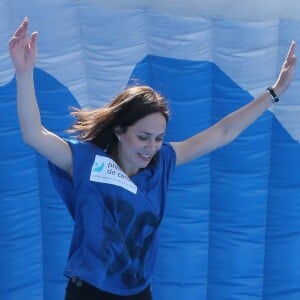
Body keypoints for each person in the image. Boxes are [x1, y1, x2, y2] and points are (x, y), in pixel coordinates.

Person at [8, 17, 296, 300]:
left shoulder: (162, 163)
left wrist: (274, 92)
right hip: (90, 292)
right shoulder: (87, 161)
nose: (151, 147)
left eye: (158, 138)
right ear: (120, 131)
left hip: (138, 292)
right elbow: (34, 134)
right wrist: (24, 74)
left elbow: (223, 132)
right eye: (143, 137)